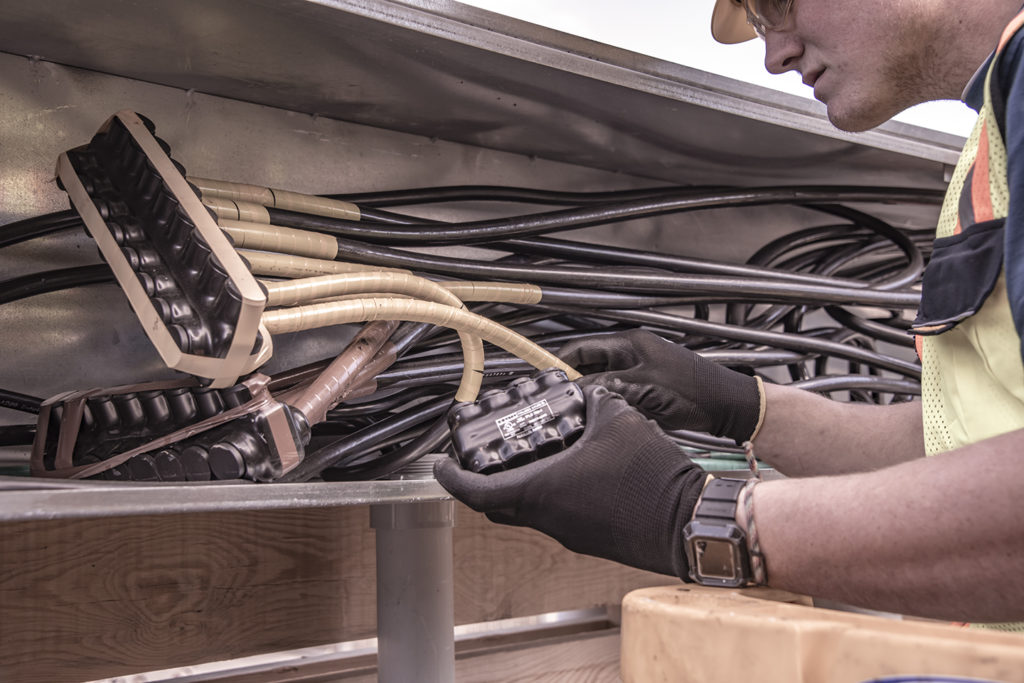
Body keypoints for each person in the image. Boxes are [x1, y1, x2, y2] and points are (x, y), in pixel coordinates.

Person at [436, 0, 1024, 624]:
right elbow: (957, 447)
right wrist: (739, 405)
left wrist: (700, 517)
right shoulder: (993, 131)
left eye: (774, 6)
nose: (775, 56)